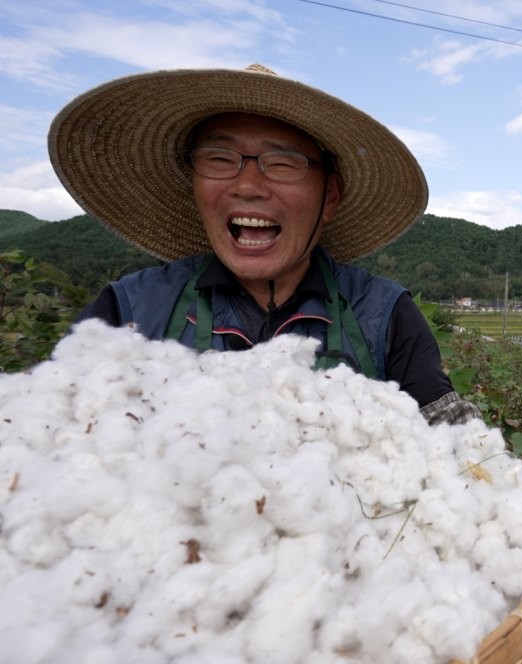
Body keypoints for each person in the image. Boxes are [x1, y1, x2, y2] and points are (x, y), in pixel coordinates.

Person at [50, 64, 479, 426]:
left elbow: (457, 447)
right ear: (193, 182)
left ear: (329, 196)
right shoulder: (127, 312)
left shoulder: (384, 316)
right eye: (219, 159)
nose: (248, 185)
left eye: (282, 163)